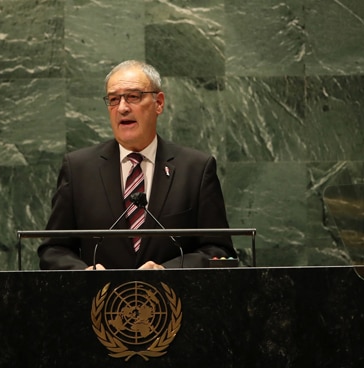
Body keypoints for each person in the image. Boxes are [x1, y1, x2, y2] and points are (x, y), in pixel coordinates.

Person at [38, 60, 236, 270]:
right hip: (100, 300)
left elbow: (218, 252)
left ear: (158, 103)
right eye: (114, 99)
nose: (122, 108)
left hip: (172, 299)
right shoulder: (79, 169)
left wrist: (167, 271)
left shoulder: (196, 169)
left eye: (133, 97)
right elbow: (54, 250)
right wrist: (84, 274)